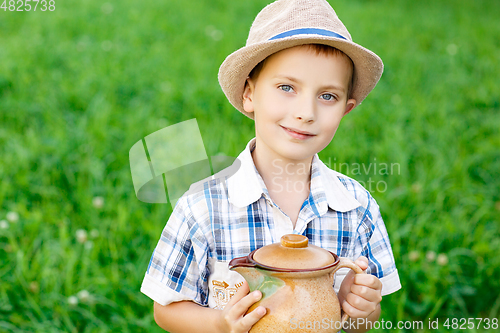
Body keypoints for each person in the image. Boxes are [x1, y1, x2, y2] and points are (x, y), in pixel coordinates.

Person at [140, 0, 401, 332]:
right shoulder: (202, 206)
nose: (306, 111)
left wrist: (357, 309)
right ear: (250, 94)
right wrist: (219, 324)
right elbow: (166, 309)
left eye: (327, 96)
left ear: (346, 109)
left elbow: (362, 322)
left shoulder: (357, 206)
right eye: (287, 88)